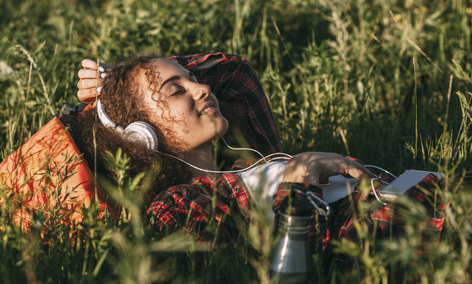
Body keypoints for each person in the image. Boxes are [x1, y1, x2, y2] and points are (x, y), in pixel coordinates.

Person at [73, 52, 445, 260]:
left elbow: (235, 74)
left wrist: (121, 76)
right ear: (142, 136)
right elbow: (231, 271)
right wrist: (295, 190)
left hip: (438, 197)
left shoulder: (249, 158)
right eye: (176, 90)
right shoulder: (182, 204)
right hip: (415, 237)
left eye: (193, 78)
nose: (202, 87)